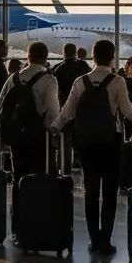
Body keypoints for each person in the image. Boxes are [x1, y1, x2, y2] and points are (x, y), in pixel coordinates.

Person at [53, 39, 132, 255]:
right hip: (110, 142)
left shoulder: (80, 82)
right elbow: (128, 111)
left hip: (87, 143)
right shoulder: (117, 81)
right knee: (109, 193)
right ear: (112, 57)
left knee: (91, 192)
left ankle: (93, 239)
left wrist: (54, 127)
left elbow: (67, 112)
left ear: (92, 56)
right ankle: (106, 240)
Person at [0, 42, 61, 232]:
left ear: (28, 57)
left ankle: (17, 226)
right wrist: (54, 131)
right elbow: (52, 113)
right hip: (40, 139)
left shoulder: (13, 78)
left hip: (17, 139)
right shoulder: (49, 80)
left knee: (18, 179)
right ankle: (38, 224)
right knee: (41, 179)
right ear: (46, 58)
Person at [52, 43, 91, 172]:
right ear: (75, 52)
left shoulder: (57, 69)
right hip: (81, 108)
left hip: (64, 108)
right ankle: (80, 162)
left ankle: (64, 167)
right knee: (82, 137)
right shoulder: (83, 66)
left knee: (65, 140)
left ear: (63, 53)